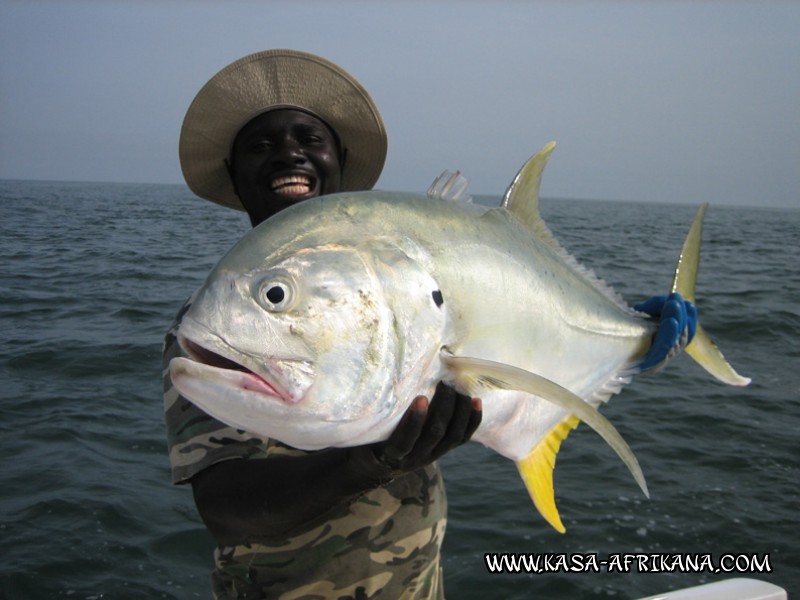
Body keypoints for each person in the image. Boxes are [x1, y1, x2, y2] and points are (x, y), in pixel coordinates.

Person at [163, 49, 696, 600]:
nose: (288, 155)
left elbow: (538, 343)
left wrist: (637, 339)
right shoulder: (212, 338)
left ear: (340, 160)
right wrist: (372, 461)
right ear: (234, 173)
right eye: (261, 145)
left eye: (309, 138)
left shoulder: (398, 261)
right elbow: (226, 509)